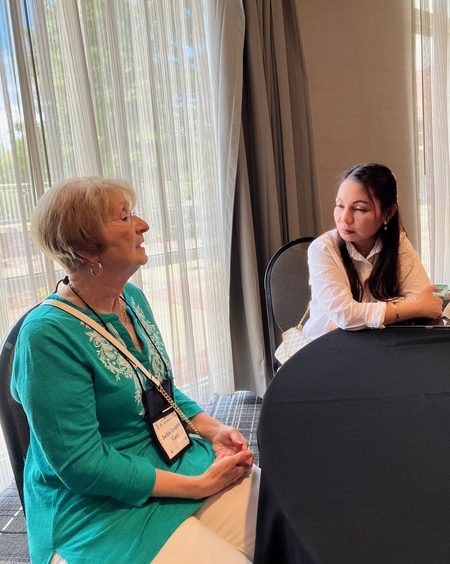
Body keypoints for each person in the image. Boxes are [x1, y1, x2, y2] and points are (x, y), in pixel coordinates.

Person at [11, 177, 259, 564]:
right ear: (85, 249)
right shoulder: (46, 336)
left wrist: (215, 429)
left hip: (168, 459)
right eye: (125, 217)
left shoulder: (133, 300)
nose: (142, 224)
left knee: (278, 517)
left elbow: (160, 389)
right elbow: (82, 466)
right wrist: (196, 487)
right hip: (93, 505)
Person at [303, 162, 442, 341]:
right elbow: (347, 316)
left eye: (359, 209)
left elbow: (421, 295)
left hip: (375, 343)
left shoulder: (397, 242)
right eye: (339, 205)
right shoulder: (323, 249)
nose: (344, 218)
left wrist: (358, 317)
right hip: (325, 347)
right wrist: (411, 309)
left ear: (388, 213)